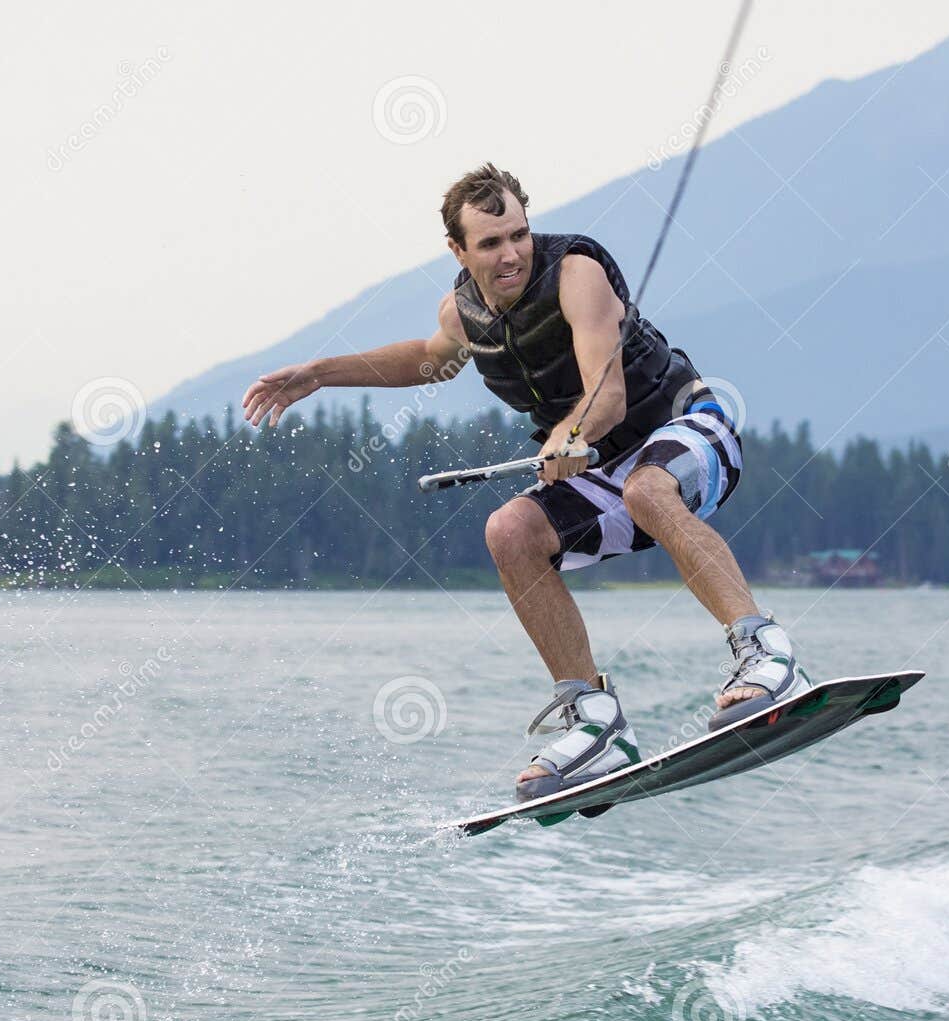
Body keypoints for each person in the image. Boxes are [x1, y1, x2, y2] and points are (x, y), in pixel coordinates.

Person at [243, 162, 810, 801]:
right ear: (458, 251)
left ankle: (765, 650)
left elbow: (609, 394)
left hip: (688, 428)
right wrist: (323, 372)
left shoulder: (576, 274)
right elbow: (431, 361)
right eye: (490, 243)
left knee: (648, 490)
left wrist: (571, 434)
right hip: (605, 471)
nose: (510, 253)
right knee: (510, 530)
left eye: (518, 234)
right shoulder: (462, 313)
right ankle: (594, 718)